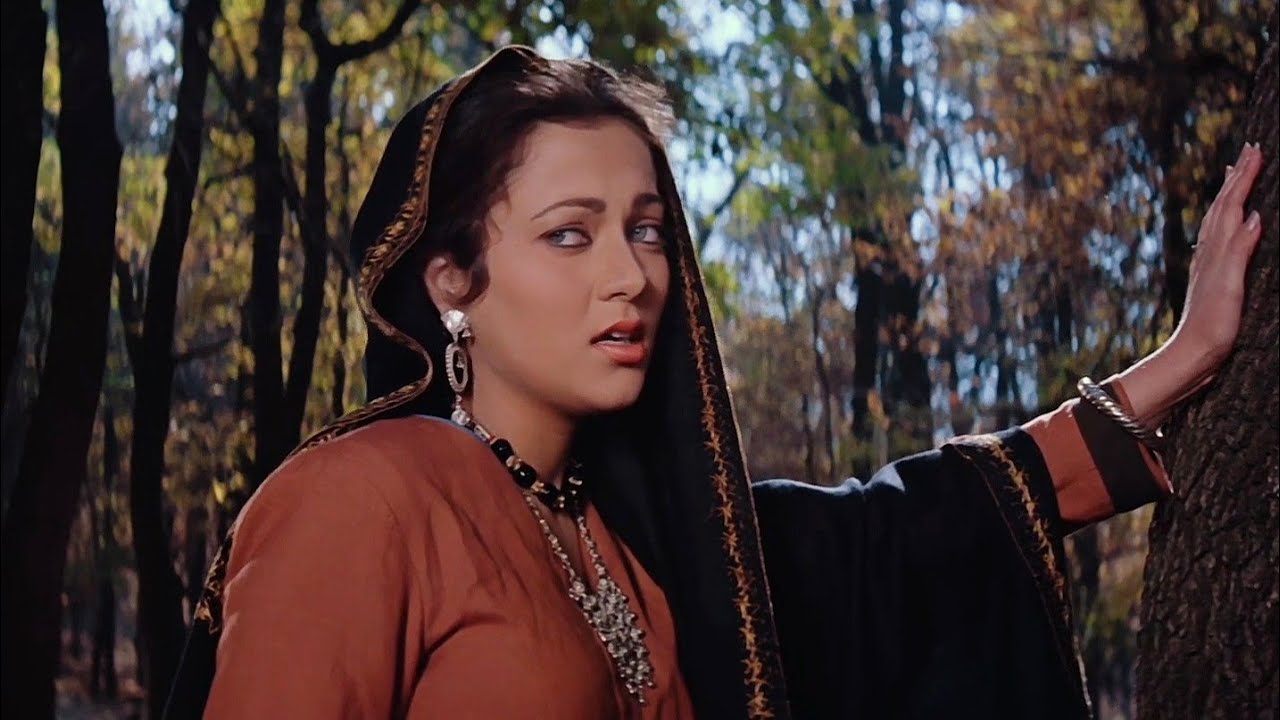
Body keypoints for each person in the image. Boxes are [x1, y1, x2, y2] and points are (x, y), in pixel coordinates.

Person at [162, 46, 1265, 719]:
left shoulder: (647, 542)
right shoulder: (362, 500)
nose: (630, 277)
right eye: (568, 234)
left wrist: (1182, 361)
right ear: (450, 280)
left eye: (645, 230)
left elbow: (896, 540)